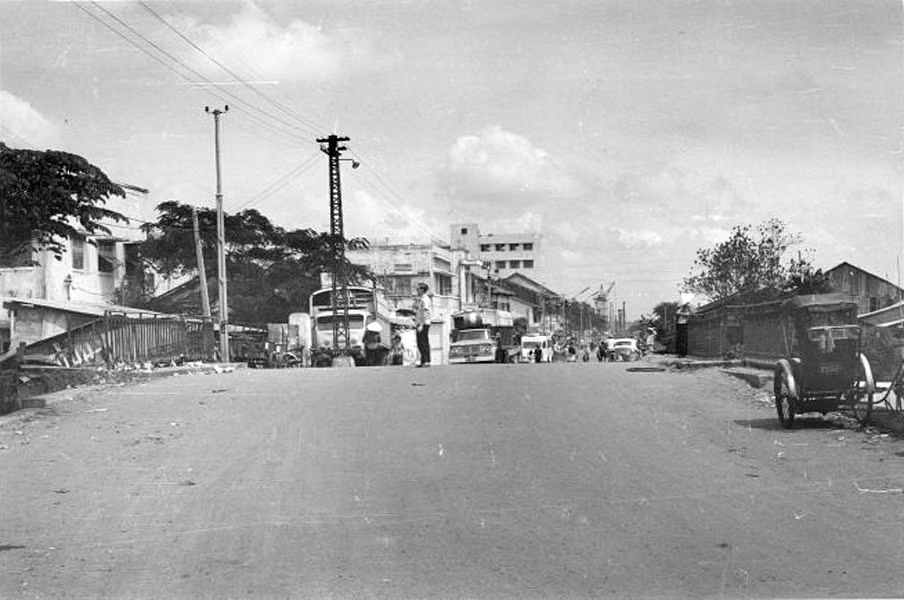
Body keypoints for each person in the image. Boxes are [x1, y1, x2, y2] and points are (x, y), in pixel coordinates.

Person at [414, 282, 433, 367]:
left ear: (422, 290)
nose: (416, 290)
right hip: (419, 322)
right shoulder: (420, 299)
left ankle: (427, 361)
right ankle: (423, 360)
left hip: (424, 323)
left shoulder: (425, 299)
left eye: (418, 289)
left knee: (423, 342)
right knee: (419, 343)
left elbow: (425, 312)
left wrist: (421, 324)